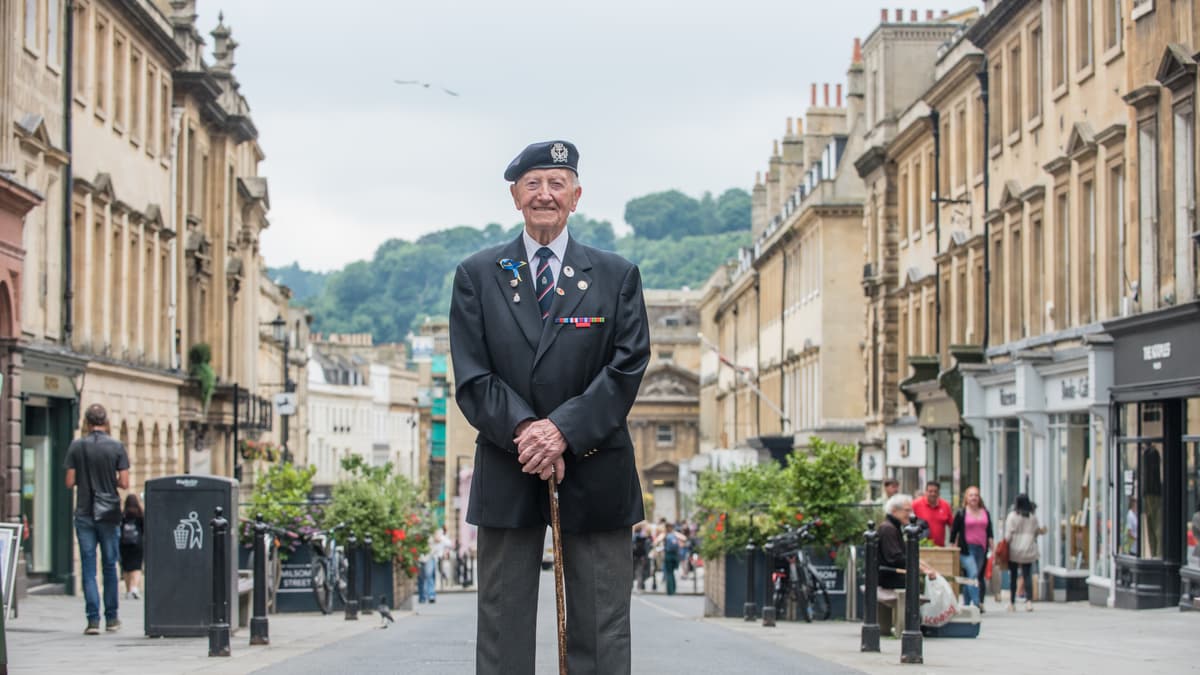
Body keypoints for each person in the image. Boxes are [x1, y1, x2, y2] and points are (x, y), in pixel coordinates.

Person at [450, 140, 650, 675]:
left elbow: (627, 367)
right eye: (533, 184)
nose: (545, 195)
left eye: (556, 183)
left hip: (595, 462)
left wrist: (561, 431)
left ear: (576, 196)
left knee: (602, 627)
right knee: (501, 625)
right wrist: (527, 433)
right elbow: (472, 377)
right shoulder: (477, 273)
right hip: (508, 461)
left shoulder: (616, 275)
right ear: (515, 196)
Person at [64, 404, 130, 635]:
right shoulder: (116, 446)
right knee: (110, 566)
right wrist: (108, 479)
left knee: (88, 568)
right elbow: (124, 482)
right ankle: (112, 618)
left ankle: (93, 620)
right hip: (109, 513)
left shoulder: (76, 446)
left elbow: (69, 482)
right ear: (105, 421)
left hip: (84, 512)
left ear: (87, 421)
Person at [877, 494, 937, 590]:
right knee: (921, 584)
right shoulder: (888, 528)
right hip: (889, 578)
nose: (911, 514)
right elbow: (896, 558)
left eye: (911, 510)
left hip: (893, 575)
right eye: (907, 510)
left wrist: (926, 567)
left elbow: (904, 555)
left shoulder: (894, 527)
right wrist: (922, 569)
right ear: (894, 511)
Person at [948, 486, 992, 612]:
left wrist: (992, 545)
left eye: (976, 495)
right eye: (971, 495)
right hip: (966, 549)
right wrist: (952, 547)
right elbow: (954, 530)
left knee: (971, 575)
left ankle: (967, 603)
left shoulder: (985, 512)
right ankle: (977, 603)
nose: (974, 498)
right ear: (966, 498)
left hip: (981, 548)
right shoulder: (962, 513)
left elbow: (989, 530)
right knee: (973, 574)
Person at [1004, 493, 1045, 612]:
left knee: (1014, 576)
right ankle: (1029, 601)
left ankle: (1012, 602)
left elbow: (1008, 535)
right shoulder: (1032, 517)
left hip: (1014, 550)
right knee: (1027, 576)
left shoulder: (1012, 516)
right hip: (1028, 549)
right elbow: (1036, 532)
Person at [911, 481, 953, 547]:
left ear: (939, 492)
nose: (933, 494)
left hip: (940, 548)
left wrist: (953, 542)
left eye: (935, 491)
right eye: (930, 491)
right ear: (926, 492)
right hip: (920, 547)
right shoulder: (915, 504)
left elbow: (952, 526)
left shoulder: (945, 505)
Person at [119, 494, 145, 600]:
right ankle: (134, 588)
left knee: (126, 568)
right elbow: (144, 530)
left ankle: (128, 589)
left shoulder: (123, 515)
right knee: (137, 567)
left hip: (124, 545)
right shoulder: (140, 515)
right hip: (137, 544)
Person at [655, 523, 683, 596]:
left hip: (668, 555)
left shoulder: (665, 534)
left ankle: (670, 590)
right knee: (672, 572)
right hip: (675, 556)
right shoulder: (674, 534)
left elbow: (656, 541)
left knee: (669, 573)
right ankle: (673, 589)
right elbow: (684, 538)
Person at [631, 524, 651, 592]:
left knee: (632, 571)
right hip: (641, 556)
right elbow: (646, 547)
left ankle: (631, 586)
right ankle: (639, 587)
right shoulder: (644, 537)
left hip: (634, 556)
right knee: (640, 571)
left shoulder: (633, 537)